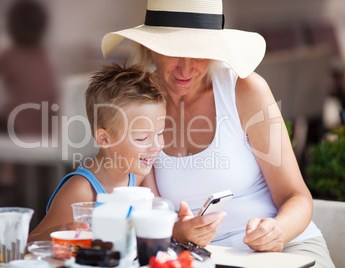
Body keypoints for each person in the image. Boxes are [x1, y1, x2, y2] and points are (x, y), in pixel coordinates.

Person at [100, 0, 334, 267]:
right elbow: (150, 207)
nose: (186, 68)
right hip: (202, 257)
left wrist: (277, 230)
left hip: (288, 249)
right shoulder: (140, 104)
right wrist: (178, 231)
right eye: (174, 52)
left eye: (200, 53)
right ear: (150, 46)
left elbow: (297, 196)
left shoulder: (245, 91)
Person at [29, 63, 166, 237]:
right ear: (104, 139)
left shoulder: (136, 174)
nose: (156, 146)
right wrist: (60, 232)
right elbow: (28, 246)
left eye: (160, 133)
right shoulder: (82, 191)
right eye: (141, 138)